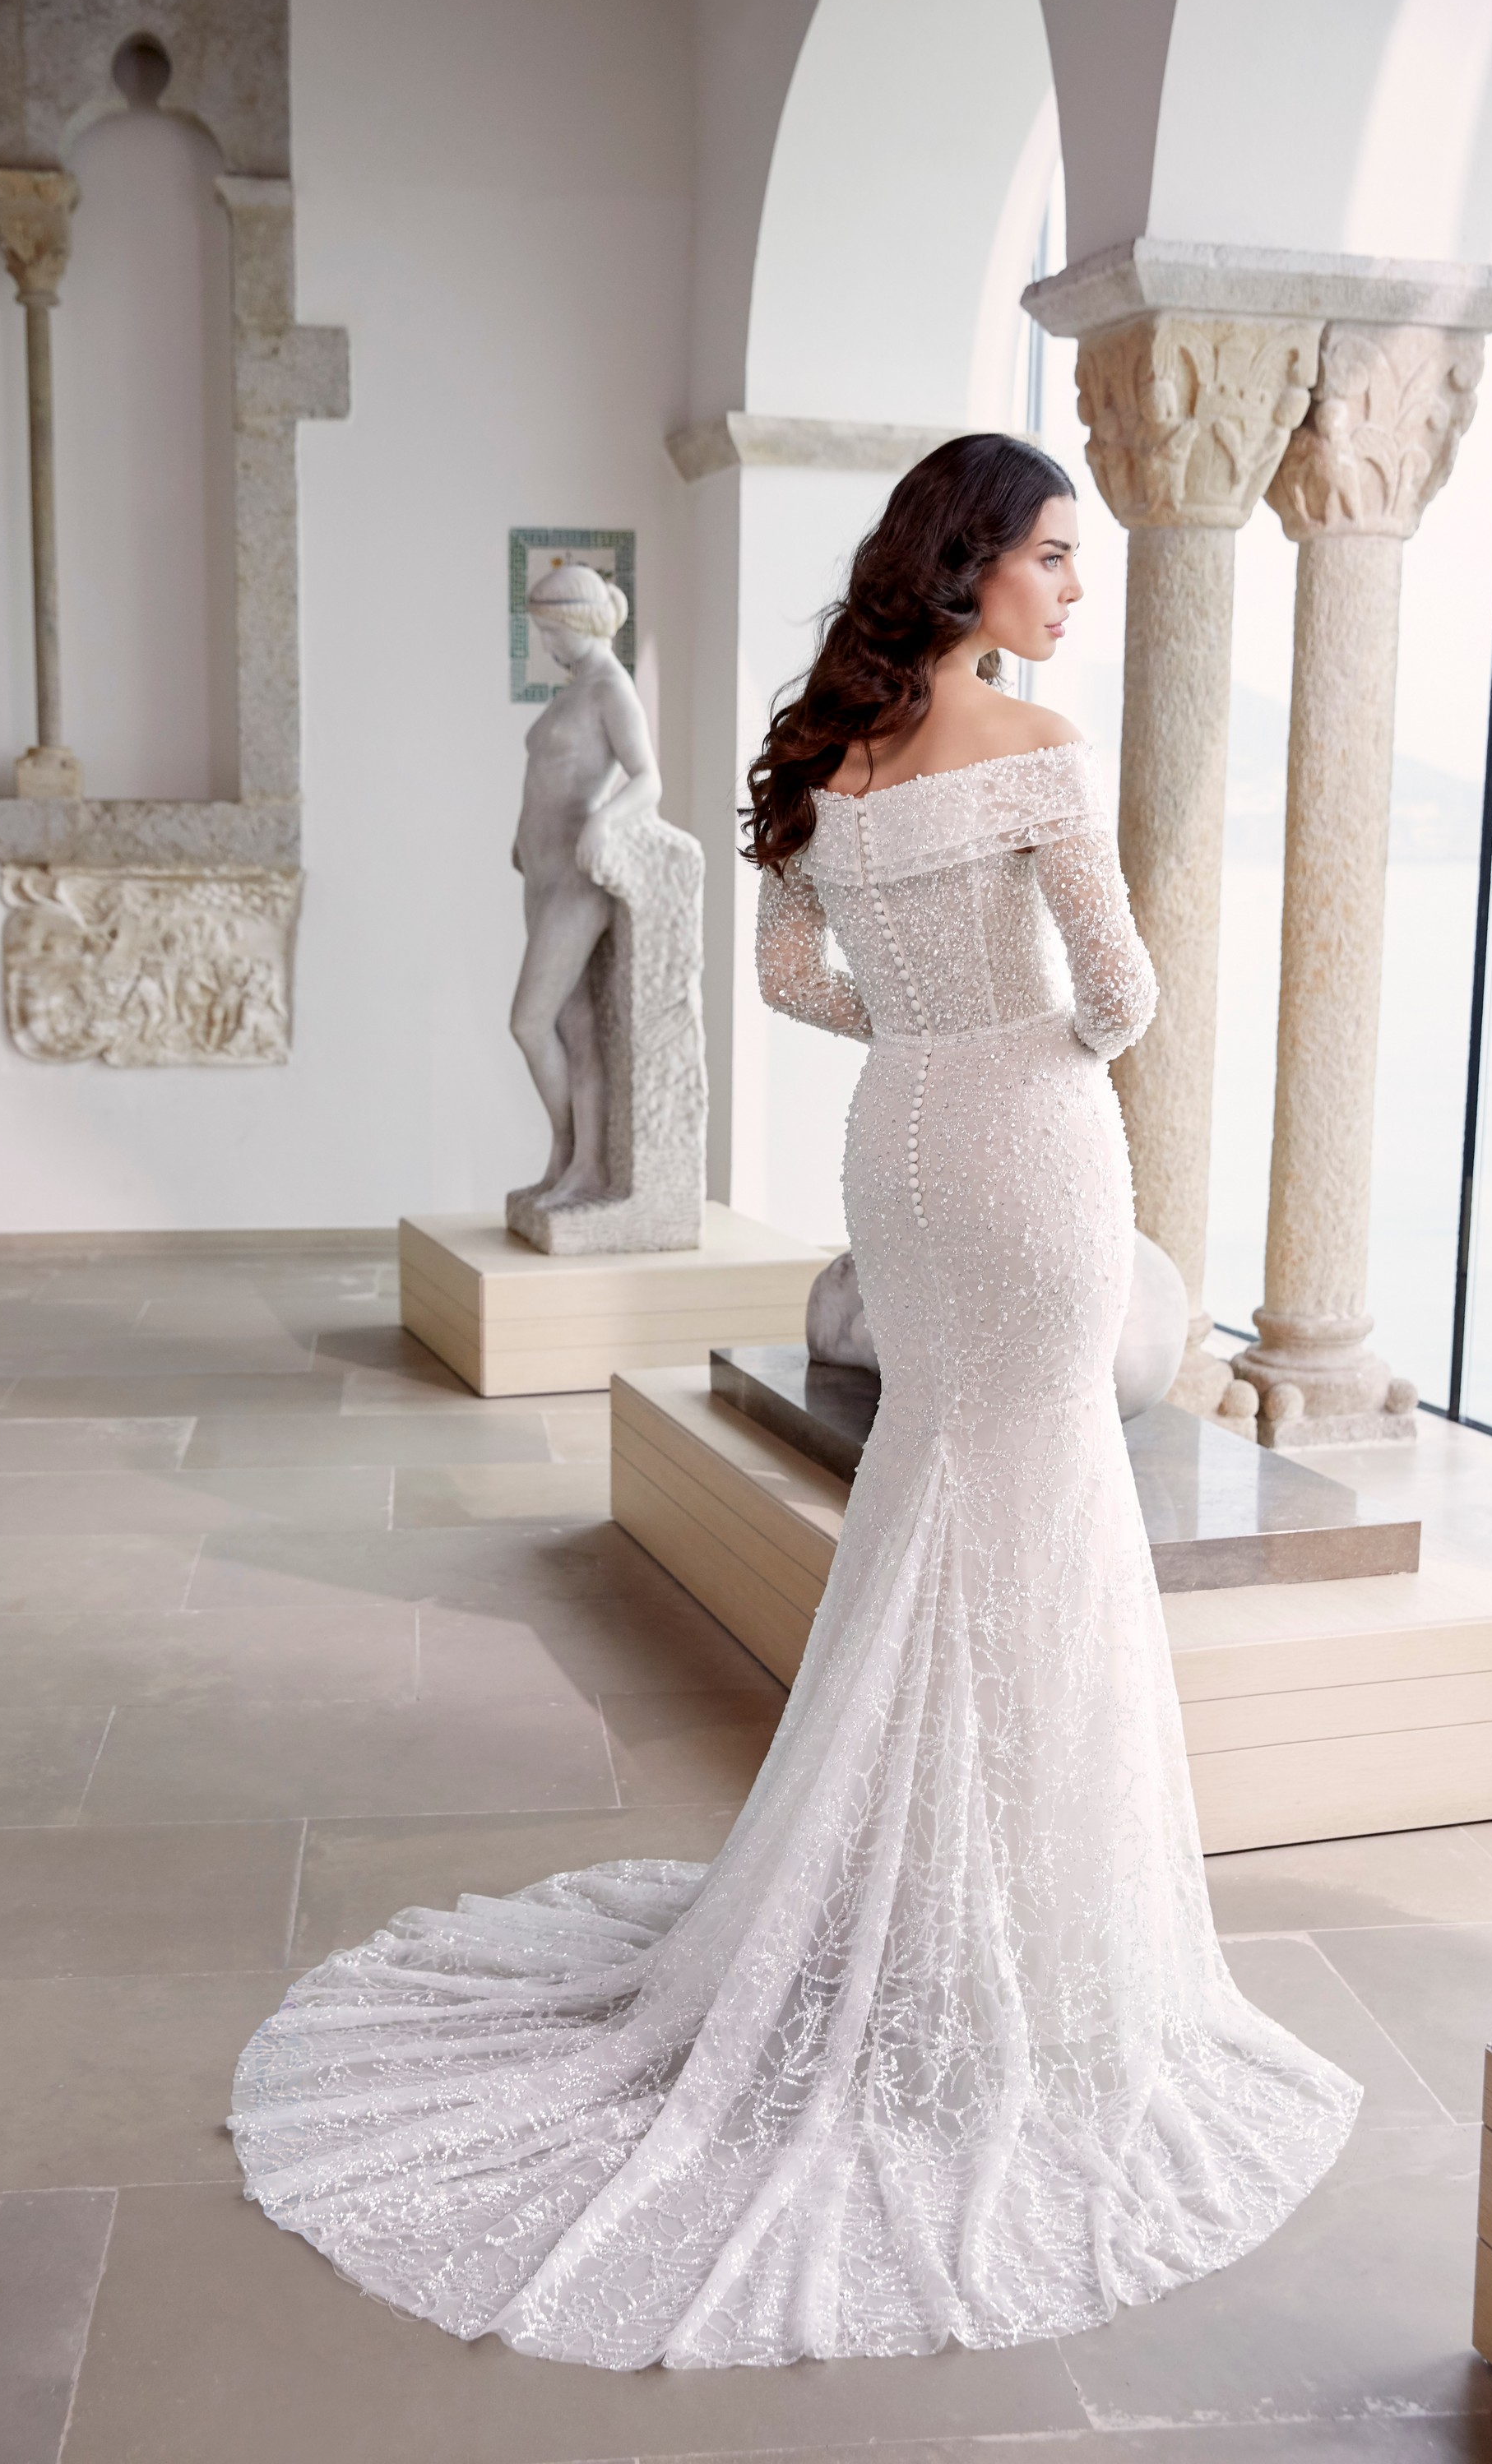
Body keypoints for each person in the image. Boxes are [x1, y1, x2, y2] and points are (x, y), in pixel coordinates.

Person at [229, 436, 1360, 2368]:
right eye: (1059, 563)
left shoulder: (836, 756)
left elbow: (785, 975)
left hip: (899, 1158)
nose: (1076, 596)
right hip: (1027, 1154)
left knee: (934, 1503)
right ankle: (1030, 1952)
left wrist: (922, 1031)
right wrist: (1028, 1048)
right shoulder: (1038, 749)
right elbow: (1128, 995)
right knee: (1044, 1518)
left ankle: (913, 1911)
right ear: (976, 566)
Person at [508, 563, 660, 1215]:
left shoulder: (611, 688)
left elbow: (648, 779)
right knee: (572, 1024)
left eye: (549, 631)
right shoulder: (575, 690)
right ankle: (572, 1163)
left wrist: (603, 822)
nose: (546, 644)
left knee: (529, 1022)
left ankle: (583, 1157)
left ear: (574, 621)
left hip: (576, 878)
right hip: (540, 876)